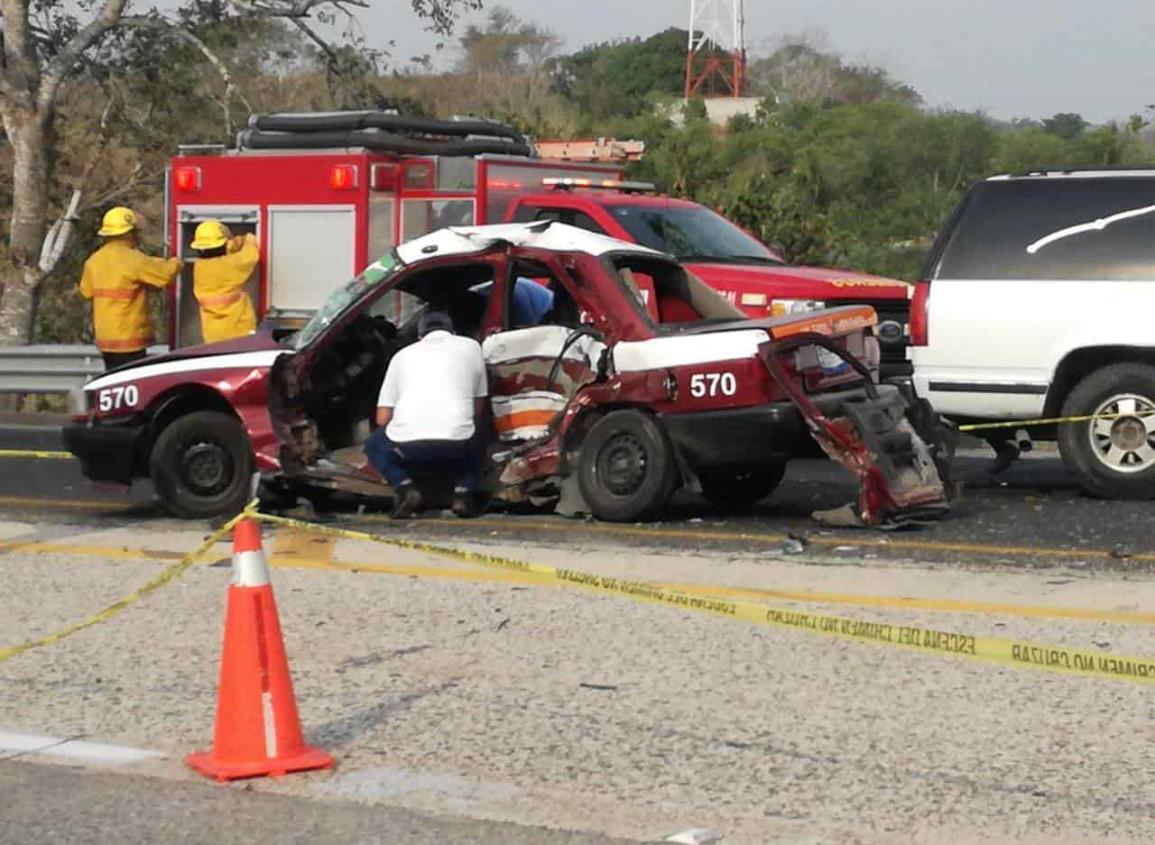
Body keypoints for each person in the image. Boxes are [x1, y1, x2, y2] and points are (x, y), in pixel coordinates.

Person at [364, 310, 489, 519]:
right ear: (453, 332)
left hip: (409, 447)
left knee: (374, 444)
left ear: (420, 337)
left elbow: (382, 419)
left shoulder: (401, 356)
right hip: (457, 445)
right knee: (481, 428)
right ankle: (463, 493)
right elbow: (478, 407)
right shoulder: (472, 347)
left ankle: (405, 488)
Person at [79, 207, 183, 370]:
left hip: (105, 340)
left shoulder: (93, 261)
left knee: (114, 381)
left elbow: (86, 291)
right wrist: (177, 261)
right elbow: (164, 273)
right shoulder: (133, 259)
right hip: (130, 341)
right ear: (128, 233)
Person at [189, 220, 260, 344]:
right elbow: (251, 254)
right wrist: (249, 238)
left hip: (212, 333)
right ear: (223, 245)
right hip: (239, 331)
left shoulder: (199, 266)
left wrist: (233, 242)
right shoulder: (230, 265)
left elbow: (228, 252)